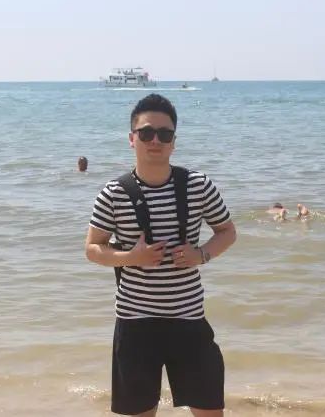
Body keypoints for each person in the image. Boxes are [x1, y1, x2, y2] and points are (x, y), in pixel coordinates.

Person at [85, 93, 237, 417]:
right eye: (146, 133)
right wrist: (132, 257)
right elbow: (93, 249)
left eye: (164, 134)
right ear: (132, 139)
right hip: (135, 323)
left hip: (189, 318)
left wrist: (201, 255)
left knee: (210, 411)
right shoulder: (113, 193)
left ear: (174, 142)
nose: (155, 140)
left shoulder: (198, 185)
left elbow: (227, 232)